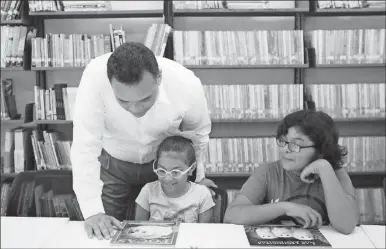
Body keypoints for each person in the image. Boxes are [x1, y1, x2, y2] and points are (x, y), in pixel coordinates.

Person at [70, 42, 217, 240]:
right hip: (112, 166)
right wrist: (92, 211)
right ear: (110, 83)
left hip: (162, 169)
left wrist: (199, 178)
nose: (135, 109)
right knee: (105, 235)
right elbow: (84, 146)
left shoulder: (186, 84)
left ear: (159, 78)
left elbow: (198, 134)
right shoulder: (94, 79)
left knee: (167, 234)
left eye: (145, 99)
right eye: (123, 101)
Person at [224, 109, 359, 235]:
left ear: (321, 151)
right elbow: (231, 216)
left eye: (297, 144)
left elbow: (346, 226)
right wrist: (284, 207)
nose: (286, 150)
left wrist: (324, 167)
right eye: (283, 141)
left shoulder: (334, 174)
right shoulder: (268, 172)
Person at [135, 135, 215, 223]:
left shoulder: (202, 195)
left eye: (176, 172)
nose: (167, 178)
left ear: (191, 169)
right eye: (162, 171)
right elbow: (139, 229)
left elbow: (204, 233)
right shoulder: (148, 191)